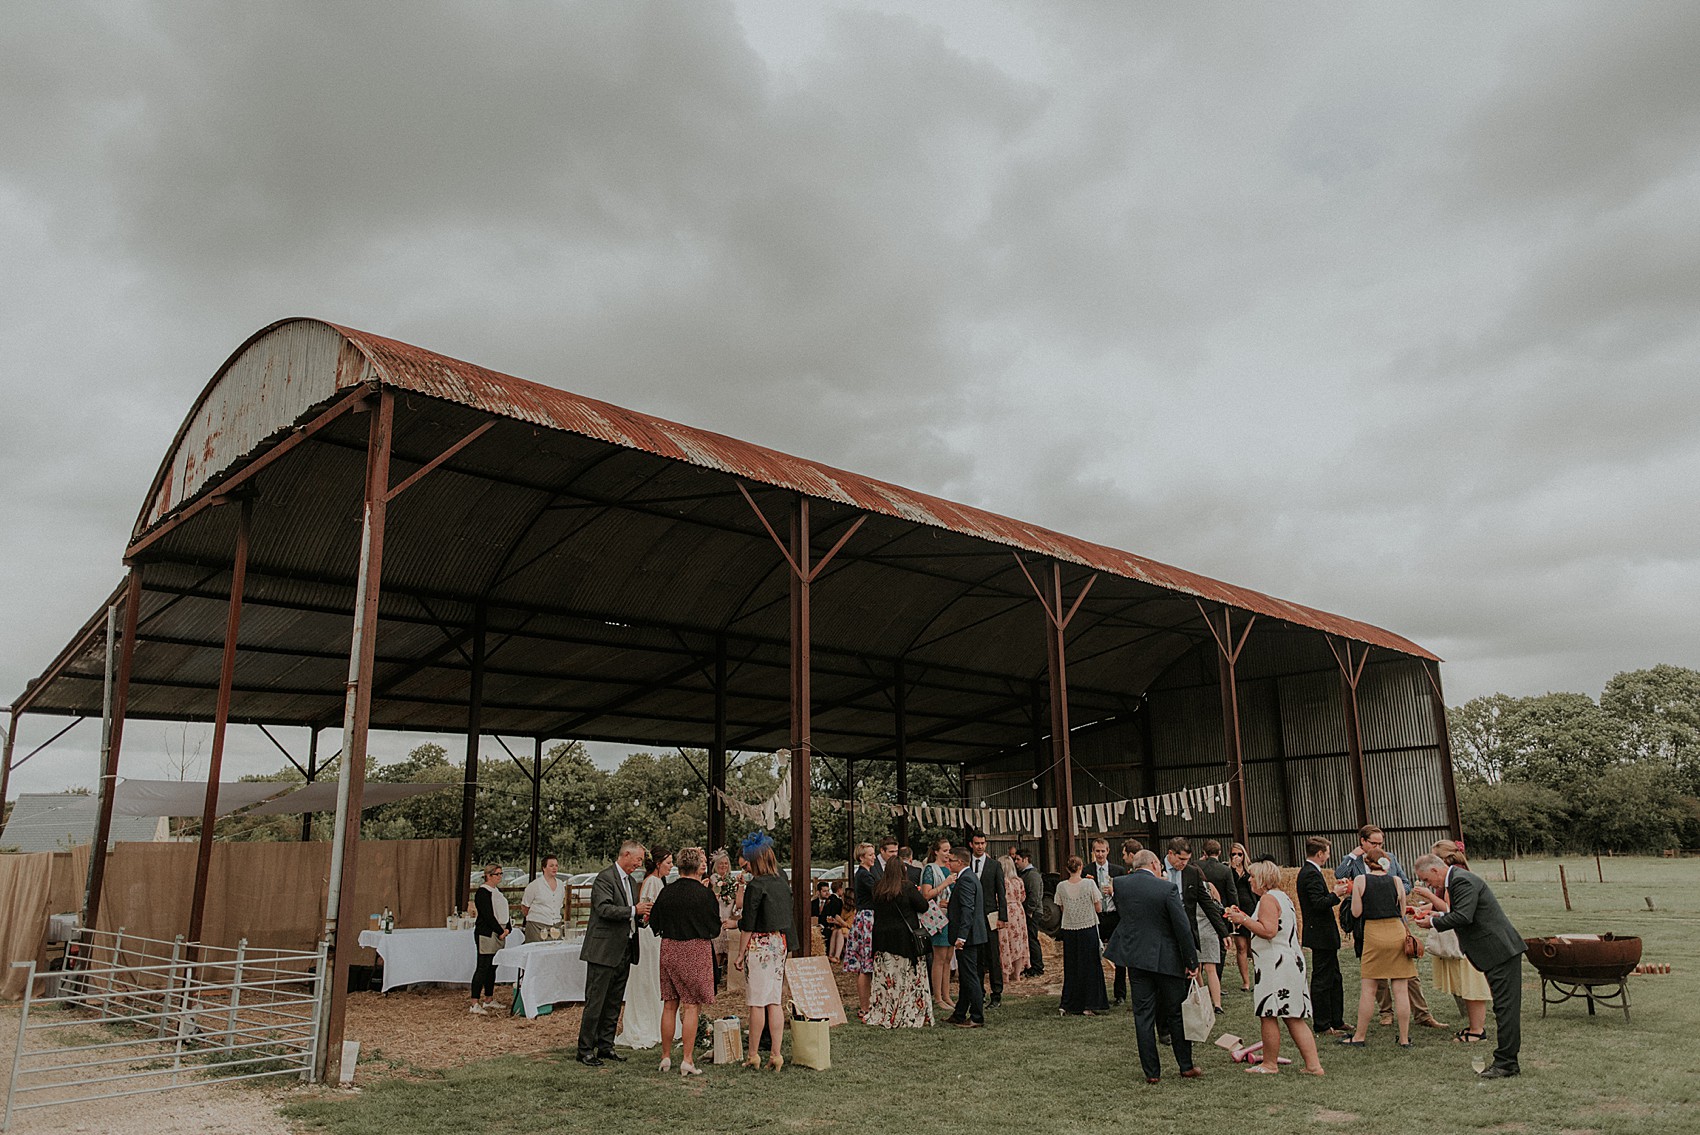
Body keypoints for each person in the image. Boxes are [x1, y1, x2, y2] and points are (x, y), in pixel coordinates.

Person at [1413, 850, 1525, 1078]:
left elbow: (1464, 916)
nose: (1428, 884)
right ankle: (1507, 1061)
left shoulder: (1461, 881)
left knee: (1505, 1008)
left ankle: (1506, 1063)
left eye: (1426, 879)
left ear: (1435, 870)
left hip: (1499, 951)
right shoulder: (1456, 880)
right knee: (1503, 1007)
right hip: (1493, 952)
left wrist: (1433, 922)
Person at [1103, 850, 1200, 1083]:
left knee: (1143, 1015)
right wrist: (1192, 961)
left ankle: (1152, 1072)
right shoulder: (1166, 888)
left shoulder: (1120, 885)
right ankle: (1185, 1065)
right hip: (1166, 958)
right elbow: (1182, 927)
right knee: (1175, 1013)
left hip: (1136, 957)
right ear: (1155, 864)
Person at [1335, 824, 1445, 1029]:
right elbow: (1338, 873)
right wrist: (1351, 855)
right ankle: (1386, 1012)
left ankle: (1422, 1013)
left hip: (1394, 919)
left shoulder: (1391, 859)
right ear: (1363, 842)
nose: (1378, 846)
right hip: (1368, 923)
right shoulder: (1354, 862)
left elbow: (1405, 883)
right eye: (1373, 842)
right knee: (1376, 973)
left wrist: (1388, 892)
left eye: (1380, 842)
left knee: (1408, 971)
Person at [1225, 859, 1324, 1076]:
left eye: (1252, 876)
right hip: (1289, 962)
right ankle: (1313, 1065)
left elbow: (1268, 930)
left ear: (1261, 879)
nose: (1249, 880)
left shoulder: (1268, 899)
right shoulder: (1282, 897)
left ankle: (1270, 1064)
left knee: (1268, 1013)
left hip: (1275, 965)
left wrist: (1242, 919)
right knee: (1292, 1015)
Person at [577, 841, 653, 1067]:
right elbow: (603, 908)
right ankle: (585, 1049)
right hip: (603, 950)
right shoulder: (604, 878)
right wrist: (633, 910)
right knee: (596, 1000)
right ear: (626, 855)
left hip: (625, 949)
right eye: (637, 860)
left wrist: (642, 917)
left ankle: (606, 1046)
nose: (639, 865)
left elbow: (631, 914)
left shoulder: (631, 882)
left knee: (613, 1002)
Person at [1411, 840, 1491, 1045]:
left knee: (1471, 984)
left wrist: (1433, 916)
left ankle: (1477, 1029)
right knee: (1465, 984)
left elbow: (1453, 910)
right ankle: (1474, 1026)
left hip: (1465, 939)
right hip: (1459, 935)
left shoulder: (1457, 877)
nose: (1428, 883)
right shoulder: (1452, 876)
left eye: (1427, 879)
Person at [648, 848, 718, 1075]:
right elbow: (714, 928)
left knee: (669, 1004)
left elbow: (654, 923)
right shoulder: (704, 894)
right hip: (694, 948)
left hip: (669, 947)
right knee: (691, 1006)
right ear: (698, 866)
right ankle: (687, 1060)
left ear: (679, 866)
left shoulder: (667, 892)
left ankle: (665, 1056)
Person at [1342, 847, 1416, 1048]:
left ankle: (1359, 1036)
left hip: (1373, 933)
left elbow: (1356, 912)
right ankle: (1403, 1038)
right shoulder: (1396, 881)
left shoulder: (1361, 880)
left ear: (1367, 863)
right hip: (1396, 931)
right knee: (1400, 989)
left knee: (1368, 989)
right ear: (1386, 864)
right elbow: (1401, 910)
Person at [735, 831, 796, 1070]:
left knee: (756, 1003)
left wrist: (740, 954)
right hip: (779, 943)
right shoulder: (781, 882)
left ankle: (753, 1054)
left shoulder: (756, 886)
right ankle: (776, 1054)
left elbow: (748, 924)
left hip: (759, 945)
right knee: (774, 1001)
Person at [867, 844, 935, 1028]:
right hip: (905, 941)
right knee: (907, 980)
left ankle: (884, 1011)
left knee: (886, 980)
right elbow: (923, 906)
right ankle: (907, 1011)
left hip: (882, 939)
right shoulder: (908, 888)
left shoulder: (878, 888)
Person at [1162, 837, 1229, 1013]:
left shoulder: (1192, 872)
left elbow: (1207, 903)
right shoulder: (1156, 870)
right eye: (1181, 859)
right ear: (1170, 854)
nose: (1184, 863)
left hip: (1186, 931)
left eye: (1187, 859)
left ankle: (1188, 1011)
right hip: (1162, 931)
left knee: (1188, 973)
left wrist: (1223, 932)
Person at [615, 847, 671, 1049]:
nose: (670, 866)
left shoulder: (657, 881)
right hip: (649, 937)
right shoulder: (653, 882)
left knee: (653, 978)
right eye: (668, 863)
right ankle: (648, 1023)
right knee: (649, 977)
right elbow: (647, 913)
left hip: (653, 935)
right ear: (657, 863)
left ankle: (657, 1020)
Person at [1296, 836, 1346, 1036]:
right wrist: (1335, 894)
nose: (1328, 856)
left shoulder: (1311, 872)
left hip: (1323, 934)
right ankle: (1323, 1024)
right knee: (1322, 979)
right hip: (1320, 934)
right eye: (1326, 852)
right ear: (1319, 853)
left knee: (1334, 977)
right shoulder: (1310, 874)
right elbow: (1318, 903)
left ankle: (1336, 1019)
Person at [1053, 854, 1109, 1016]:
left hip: (1070, 930)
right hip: (1088, 928)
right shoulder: (1089, 883)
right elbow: (1098, 908)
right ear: (1081, 867)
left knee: (1072, 967)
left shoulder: (1061, 886)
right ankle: (1090, 1004)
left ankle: (1070, 1004)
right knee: (1091, 966)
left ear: (1067, 869)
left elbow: (1062, 908)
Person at [944, 847, 988, 1028]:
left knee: (970, 977)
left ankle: (977, 1016)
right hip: (972, 935)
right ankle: (960, 1012)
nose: (948, 863)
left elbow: (967, 910)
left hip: (968, 937)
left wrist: (961, 936)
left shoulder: (966, 880)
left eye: (951, 860)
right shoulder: (968, 878)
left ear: (960, 862)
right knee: (966, 976)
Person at [966, 831, 1006, 1008]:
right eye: (977, 843)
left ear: (986, 844)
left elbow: (1001, 892)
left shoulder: (994, 865)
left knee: (993, 956)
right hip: (971, 917)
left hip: (990, 916)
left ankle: (996, 994)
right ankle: (978, 992)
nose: (980, 846)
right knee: (976, 956)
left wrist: (1002, 917)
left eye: (982, 843)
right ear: (971, 845)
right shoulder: (965, 864)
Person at [1085, 838, 1126, 1003]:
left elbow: (1125, 895)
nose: (1100, 854)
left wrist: (1114, 891)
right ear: (1093, 852)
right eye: (1097, 851)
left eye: (1103, 851)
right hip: (1096, 917)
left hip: (1115, 915)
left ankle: (1120, 994)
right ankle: (1097, 993)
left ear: (1108, 851)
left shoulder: (1118, 871)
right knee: (1094, 954)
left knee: (1120, 956)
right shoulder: (1086, 871)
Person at [919, 837, 957, 1012]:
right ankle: (938, 997)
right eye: (945, 850)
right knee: (939, 958)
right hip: (937, 917)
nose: (948, 854)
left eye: (949, 850)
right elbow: (926, 894)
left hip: (950, 915)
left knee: (949, 958)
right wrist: (945, 883)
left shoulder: (949, 868)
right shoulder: (930, 869)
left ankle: (947, 994)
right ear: (936, 852)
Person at [468, 863, 511, 1014]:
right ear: (488, 875)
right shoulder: (483, 892)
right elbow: (487, 915)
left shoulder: (497, 892)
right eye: (497, 874)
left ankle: (488, 998)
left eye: (501, 874)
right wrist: (500, 931)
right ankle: (474, 1002)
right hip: (487, 933)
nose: (499, 877)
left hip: (499, 931)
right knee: (483, 966)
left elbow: (504, 912)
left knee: (492, 967)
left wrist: (508, 928)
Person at [844, 843, 879, 1019]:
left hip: (866, 917)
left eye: (873, 854)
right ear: (861, 857)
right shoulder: (864, 875)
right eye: (870, 855)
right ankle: (865, 1006)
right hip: (867, 918)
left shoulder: (866, 874)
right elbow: (878, 892)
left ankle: (867, 1004)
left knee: (866, 965)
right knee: (865, 966)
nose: (873, 857)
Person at [708, 850, 742, 989]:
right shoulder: (713, 879)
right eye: (721, 863)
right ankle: (715, 976)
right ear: (716, 865)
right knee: (717, 948)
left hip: (729, 913)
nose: (724, 866)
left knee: (725, 949)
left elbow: (737, 901)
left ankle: (723, 975)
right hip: (718, 913)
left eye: (726, 863)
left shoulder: (731, 880)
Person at [997, 852, 1030, 984]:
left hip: (1005, 911)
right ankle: (1017, 974)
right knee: (1019, 942)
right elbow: (1023, 897)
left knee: (1004, 943)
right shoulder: (1018, 881)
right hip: (1018, 911)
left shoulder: (1001, 882)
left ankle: (1005, 974)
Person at [1013, 847, 1046, 977]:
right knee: (1028, 939)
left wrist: (1030, 910)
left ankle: (1038, 967)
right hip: (1028, 911)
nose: (1016, 862)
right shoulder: (1024, 874)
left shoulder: (1032, 875)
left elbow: (1035, 895)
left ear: (1025, 859)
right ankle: (1030, 965)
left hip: (1033, 912)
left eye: (1018, 859)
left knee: (1032, 939)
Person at [520, 854, 566, 944]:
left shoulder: (561, 885)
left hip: (555, 925)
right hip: (537, 926)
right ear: (544, 868)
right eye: (551, 866)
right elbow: (525, 906)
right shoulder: (534, 885)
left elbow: (559, 905)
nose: (554, 868)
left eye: (556, 865)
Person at [1229, 843, 1257, 992]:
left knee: (1253, 947)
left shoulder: (1250, 870)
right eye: (1234, 854)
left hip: (1251, 910)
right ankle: (1245, 982)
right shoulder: (1229, 871)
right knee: (1241, 947)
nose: (1237, 857)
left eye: (1239, 854)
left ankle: (1259, 977)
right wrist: (1233, 869)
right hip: (1236, 910)